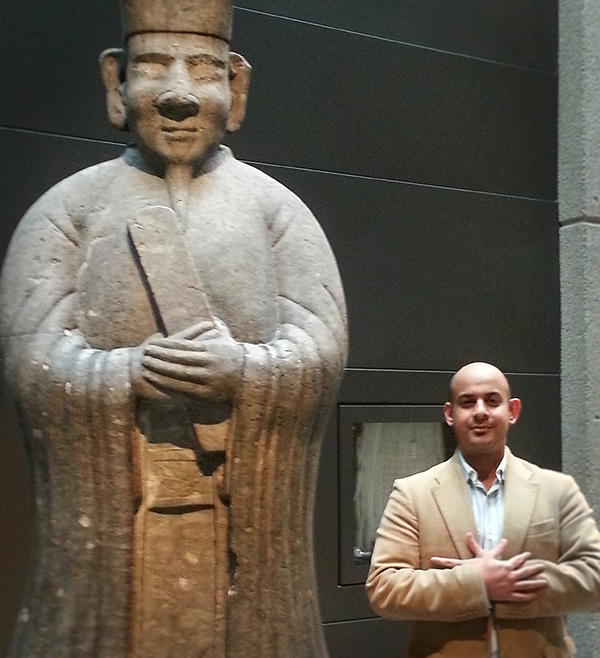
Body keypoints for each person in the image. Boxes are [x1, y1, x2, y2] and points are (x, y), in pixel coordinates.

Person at [0, 1, 347, 656]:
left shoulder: (280, 216)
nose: (181, 94)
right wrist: (125, 374)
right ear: (115, 81)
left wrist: (245, 373)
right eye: (155, 66)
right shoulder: (67, 213)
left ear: (236, 87)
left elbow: (320, 350)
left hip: (235, 521)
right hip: (119, 531)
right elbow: (32, 361)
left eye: (204, 69)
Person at [366, 362, 600, 658]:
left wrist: (506, 584)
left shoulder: (557, 490)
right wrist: (476, 584)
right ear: (450, 414)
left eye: (492, 400)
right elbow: (384, 588)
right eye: (467, 402)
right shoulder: (412, 494)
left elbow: (593, 579)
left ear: (512, 411)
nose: (480, 411)